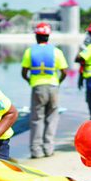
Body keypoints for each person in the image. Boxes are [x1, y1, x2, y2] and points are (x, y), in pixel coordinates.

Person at [21, 22, 68, 158]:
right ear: (48, 36)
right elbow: (64, 72)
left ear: (36, 36)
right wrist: (58, 82)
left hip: (38, 88)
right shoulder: (56, 51)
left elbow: (24, 72)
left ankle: (36, 151)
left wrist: (30, 81)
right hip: (53, 87)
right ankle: (49, 149)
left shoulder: (30, 51)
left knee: (37, 119)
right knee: (52, 118)